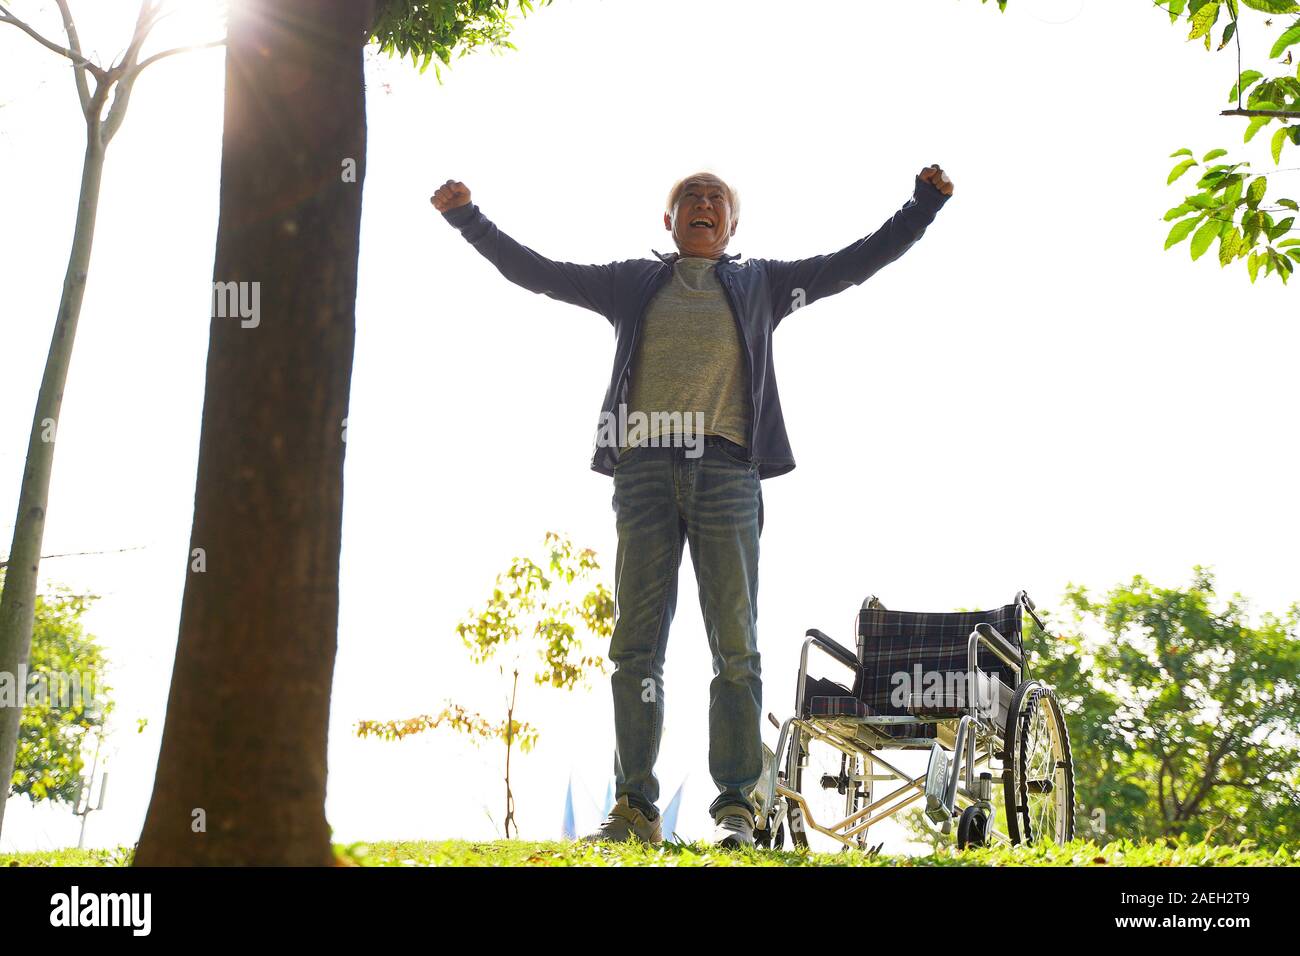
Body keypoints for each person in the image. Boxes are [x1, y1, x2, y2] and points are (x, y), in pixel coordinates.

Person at [432, 165, 953, 847]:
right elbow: (539, 272)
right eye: (689, 199)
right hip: (644, 473)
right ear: (669, 222)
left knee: (734, 647)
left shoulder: (761, 284)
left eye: (716, 201)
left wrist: (921, 207)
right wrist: (468, 219)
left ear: (731, 227)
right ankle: (634, 809)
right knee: (635, 649)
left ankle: (736, 805)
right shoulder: (632, 283)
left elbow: (854, 263)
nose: (703, 205)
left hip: (728, 473)